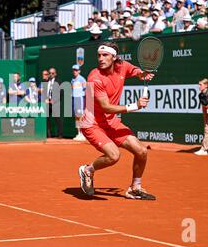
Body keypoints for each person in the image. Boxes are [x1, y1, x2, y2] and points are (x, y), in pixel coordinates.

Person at [78, 42, 156, 200]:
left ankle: (135, 188)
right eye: (99, 55)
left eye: (105, 55)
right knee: (114, 156)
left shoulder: (123, 66)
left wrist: (142, 74)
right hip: (93, 124)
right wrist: (135, 105)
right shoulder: (95, 77)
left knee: (141, 151)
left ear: (114, 57)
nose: (101, 58)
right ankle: (88, 170)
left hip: (111, 123)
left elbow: (134, 71)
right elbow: (106, 107)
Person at [46, 67, 63, 138]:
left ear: (55, 74)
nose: (51, 74)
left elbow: (61, 92)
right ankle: (48, 135)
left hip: (55, 102)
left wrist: (54, 100)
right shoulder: (46, 82)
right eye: (50, 73)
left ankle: (60, 134)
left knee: (57, 119)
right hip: (47, 103)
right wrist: (45, 99)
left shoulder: (58, 82)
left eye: (53, 73)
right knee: (46, 119)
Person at [71, 64, 86, 142]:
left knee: (80, 116)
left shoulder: (82, 79)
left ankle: (83, 134)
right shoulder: (72, 80)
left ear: (79, 71)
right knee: (76, 117)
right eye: (74, 70)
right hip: (74, 99)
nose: (75, 71)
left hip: (80, 99)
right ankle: (78, 133)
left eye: (76, 70)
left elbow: (85, 89)